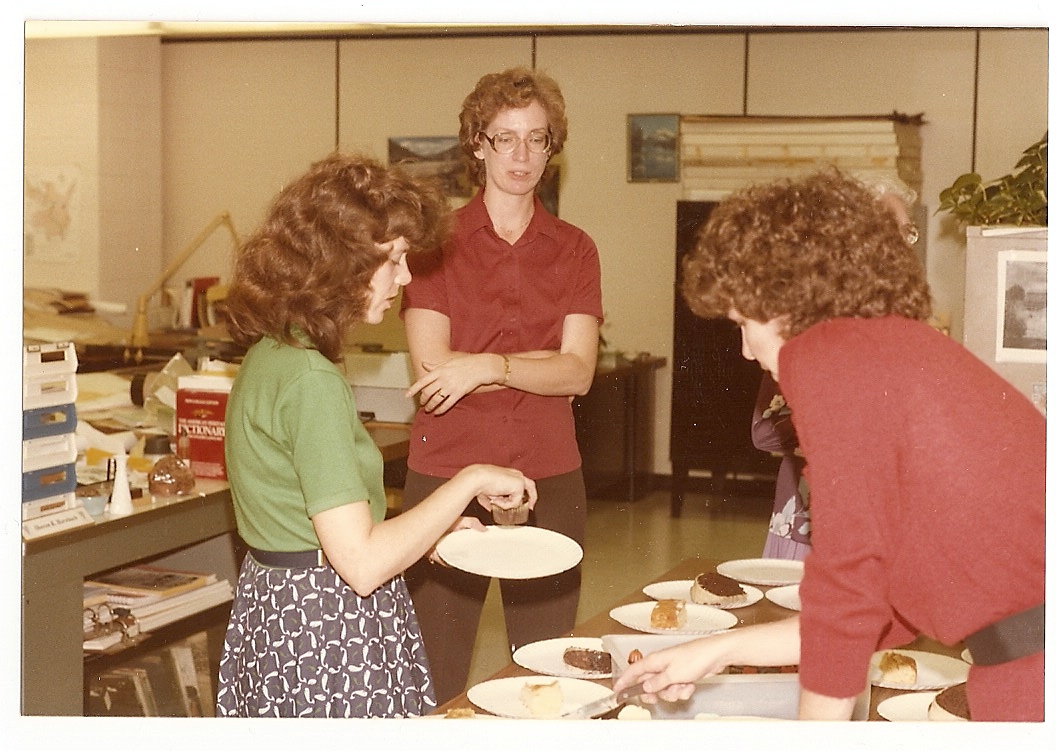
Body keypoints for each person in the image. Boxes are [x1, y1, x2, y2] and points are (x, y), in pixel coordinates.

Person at [614, 168, 1045, 721]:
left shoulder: (824, 360)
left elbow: (847, 595)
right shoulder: (888, 346)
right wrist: (714, 650)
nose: (746, 350)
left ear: (788, 301)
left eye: (745, 322)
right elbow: (877, 602)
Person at [214, 153, 538, 718]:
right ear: (340, 265)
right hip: (327, 632)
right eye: (394, 260)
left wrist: (431, 531)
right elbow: (360, 564)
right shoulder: (312, 381)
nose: (407, 278)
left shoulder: (273, 354)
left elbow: (317, 526)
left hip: (278, 614)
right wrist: (471, 479)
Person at [399, 67, 603, 705]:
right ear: (477, 144)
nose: (521, 155)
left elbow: (580, 371)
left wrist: (487, 366)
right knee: (435, 674)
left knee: (544, 677)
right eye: (505, 137)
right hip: (445, 481)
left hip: (550, 475)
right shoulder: (435, 247)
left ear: (552, 147)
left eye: (536, 139)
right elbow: (434, 374)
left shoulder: (575, 250)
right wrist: (538, 365)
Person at [752, 173, 920, 562]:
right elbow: (764, 429)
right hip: (808, 528)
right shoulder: (810, 318)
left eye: (908, 232)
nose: (905, 244)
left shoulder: (904, 320)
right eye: (892, 230)